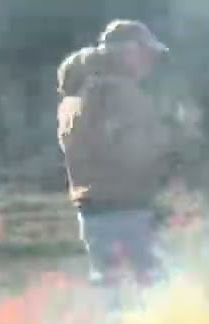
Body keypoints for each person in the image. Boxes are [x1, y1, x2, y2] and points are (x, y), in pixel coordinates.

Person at [56, 19, 188, 288]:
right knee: (150, 288)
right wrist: (172, 143)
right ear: (128, 52)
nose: (150, 63)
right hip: (128, 208)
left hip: (92, 208)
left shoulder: (77, 94)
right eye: (146, 54)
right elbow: (136, 151)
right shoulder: (117, 93)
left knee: (112, 287)